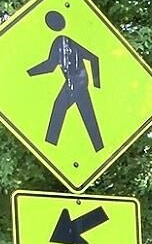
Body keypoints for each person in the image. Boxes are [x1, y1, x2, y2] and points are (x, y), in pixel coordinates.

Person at [27, 10, 104, 152]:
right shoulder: (63, 41)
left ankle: (50, 146)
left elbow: (93, 58)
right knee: (85, 113)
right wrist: (30, 73)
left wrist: (97, 83)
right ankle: (99, 148)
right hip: (77, 82)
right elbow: (51, 66)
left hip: (77, 82)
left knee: (62, 108)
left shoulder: (64, 41)